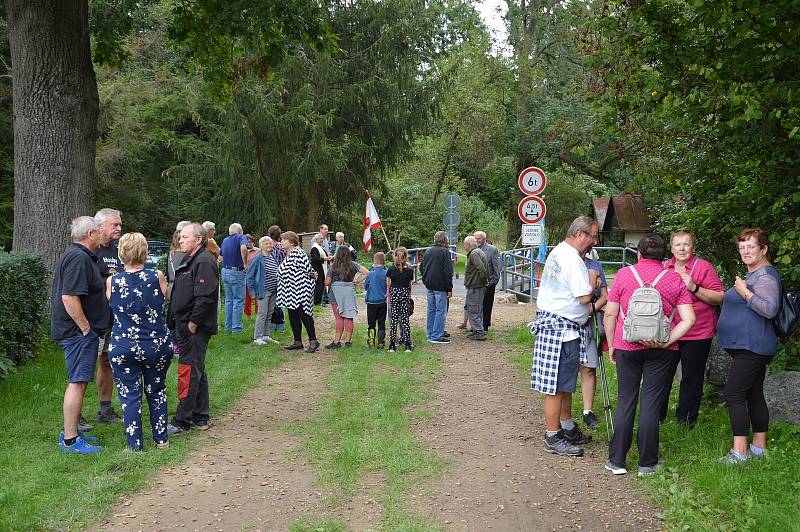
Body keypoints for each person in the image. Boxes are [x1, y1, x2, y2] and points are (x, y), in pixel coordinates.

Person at [603, 233, 695, 476]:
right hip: (661, 351)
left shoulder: (624, 275)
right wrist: (667, 342)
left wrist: (612, 344)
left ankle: (617, 461)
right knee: (651, 404)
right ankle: (647, 463)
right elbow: (689, 319)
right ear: (664, 256)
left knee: (626, 401)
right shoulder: (674, 278)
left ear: (639, 254)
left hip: (628, 346)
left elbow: (610, 314)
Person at [530, 216, 598, 457]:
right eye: (592, 236)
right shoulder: (572, 260)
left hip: (561, 326)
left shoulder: (559, 250)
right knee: (557, 386)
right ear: (580, 234)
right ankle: (552, 436)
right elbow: (583, 297)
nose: (593, 242)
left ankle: (567, 426)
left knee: (564, 384)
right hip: (561, 330)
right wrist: (591, 280)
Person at [716, 228, 781, 464]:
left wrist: (743, 291)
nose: (745, 251)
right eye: (742, 247)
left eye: (750, 247)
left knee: (734, 394)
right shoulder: (755, 274)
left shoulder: (765, 276)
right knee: (753, 393)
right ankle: (759, 448)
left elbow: (769, 309)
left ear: (763, 249)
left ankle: (740, 453)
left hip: (753, 347)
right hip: (749, 346)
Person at [105, 232, 172, 451]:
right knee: (156, 389)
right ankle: (161, 439)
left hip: (124, 345)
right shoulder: (157, 276)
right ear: (144, 252)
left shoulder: (112, 281)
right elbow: (165, 299)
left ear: (121, 253)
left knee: (129, 394)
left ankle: (134, 445)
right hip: (155, 344)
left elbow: (111, 307)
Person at [52, 216, 110, 453]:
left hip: (81, 332)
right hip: (78, 333)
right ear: (90, 234)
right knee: (77, 381)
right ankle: (70, 439)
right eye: (98, 231)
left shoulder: (80, 256)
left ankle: (71, 431)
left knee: (81, 380)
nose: (101, 234)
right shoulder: (78, 258)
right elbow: (69, 297)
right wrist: (85, 328)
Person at [660, 230, 724, 425]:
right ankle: (656, 416)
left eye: (686, 244)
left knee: (691, 378)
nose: (681, 248)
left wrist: (694, 287)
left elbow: (719, 297)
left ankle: (686, 420)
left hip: (698, 332)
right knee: (662, 375)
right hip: (668, 332)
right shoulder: (663, 267)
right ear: (671, 248)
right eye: (677, 244)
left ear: (693, 247)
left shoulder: (703, 267)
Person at [166, 223, 219, 435]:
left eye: (185, 237)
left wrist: (192, 324)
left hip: (194, 327)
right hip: (185, 324)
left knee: (188, 371)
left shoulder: (204, 261)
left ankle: (182, 420)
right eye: (180, 237)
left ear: (198, 240)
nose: (181, 240)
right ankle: (200, 416)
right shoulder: (191, 259)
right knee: (197, 369)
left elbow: (205, 297)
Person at [93, 208, 124, 425]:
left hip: (112, 317)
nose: (119, 228)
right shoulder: (91, 250)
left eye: (120, 225)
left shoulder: (117, 250)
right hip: (93, 318)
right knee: (85, 364)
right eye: (115, 225)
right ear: (100, 226)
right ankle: (75, 415)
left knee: (108, 361)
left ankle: (105, 410)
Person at [579, 226, 607, 429]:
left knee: (589, 367)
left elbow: (605, 295)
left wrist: (590, 311)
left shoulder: (595, 266)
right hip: (570, 321)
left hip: (590, 322)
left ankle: (587, 411)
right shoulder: (565, 264)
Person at [276, 231, 320, 353]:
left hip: (300, 291)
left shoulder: (298, 253)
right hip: (289, 292)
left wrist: (307, 288)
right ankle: (297, 342)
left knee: (304, 315)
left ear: (291, 242)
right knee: (293, 315)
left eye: (283, 240)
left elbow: (310, 272)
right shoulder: (289, 254)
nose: (281, 242)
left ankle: (313, 341)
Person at [324, 246, 369, 348]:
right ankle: (348, 342)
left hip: (335, 296)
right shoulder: (353, 265)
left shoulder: (333, 266)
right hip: (349, 294)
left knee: (339, 319)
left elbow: (327, 282)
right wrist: (356, 281)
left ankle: (336, 342)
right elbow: (366, 272)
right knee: (348, 317)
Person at [459, 231, 501, 332]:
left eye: (479, 238)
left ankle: (484, 325)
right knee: (475, 306)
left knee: (486, 305)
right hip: (476, 283)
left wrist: (492, 282)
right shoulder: (473, 250)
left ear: (484, 239)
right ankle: (476, 326)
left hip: (488, 282)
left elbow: (496, 268)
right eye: (475, 238)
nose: (477, 240)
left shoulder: (492, 250)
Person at [246, 236, 280, 345]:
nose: (269, 245)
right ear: (261, 246)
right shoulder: (258, 258)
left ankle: (266, 335)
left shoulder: (273, 256)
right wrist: (252, 292)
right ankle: (257, 337)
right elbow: (250, 276)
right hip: (263, 291)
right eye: (267, 244)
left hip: (274, 290)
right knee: (262, 313)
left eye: (270, 243)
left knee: (269, 313)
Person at [421, 231, 453, 344]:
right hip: (440, 286)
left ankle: (430, 333)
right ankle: (436, 335)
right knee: (440, 310)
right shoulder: (445, 252)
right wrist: (449, 288)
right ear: (444, 240)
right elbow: (448, 271)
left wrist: (425, 278)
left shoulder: (428, 251)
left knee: (431, 309)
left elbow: (422, 266)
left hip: (429, 284)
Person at [220, 223, 249, 333]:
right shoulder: (241, 237)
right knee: (238, 300)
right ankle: (236, 329)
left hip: (225, 270)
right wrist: (245, 263)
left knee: (229, 300)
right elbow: (243, 248)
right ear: (240, 230)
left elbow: (221, 256)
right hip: (236, 271)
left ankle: (228, 327)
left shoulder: (225, 240)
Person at [387, 247, 415, 353]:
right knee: (405, 320)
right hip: (404, 294)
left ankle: (392, 344)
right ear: (406, 257)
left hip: (394, 293)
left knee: (394, 319)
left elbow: (388, 283)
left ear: (395, 257)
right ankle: (408, 345)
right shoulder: (409, 271)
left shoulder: (390, 269)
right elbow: (410, 284)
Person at [463, 235, 489, 341]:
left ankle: (479, 332)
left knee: (472, 309)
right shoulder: (478, 251)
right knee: (477, 309)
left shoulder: (474, 254)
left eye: (464, 244)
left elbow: (481, 269)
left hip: (475, 286)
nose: (464, 247)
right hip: (478, 285)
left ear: (468, 245)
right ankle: (476, 330)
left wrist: (483, 281)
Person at [364, 252, 389, 349]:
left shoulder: (371, 273)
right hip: (382, 301)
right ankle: (381, 342)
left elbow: (366, 286)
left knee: (371, 322)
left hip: (371, 302)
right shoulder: (386, 273)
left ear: (374, 261)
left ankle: (371, 341)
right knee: (381, 322)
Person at [167, 221, 191, 297]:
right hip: (185, 289)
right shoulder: (189, 254)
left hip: (172, 289)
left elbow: (168, 274)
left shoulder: (170, 253)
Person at [310, 233, 329, 306]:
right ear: (316, 239)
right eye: (321, 238)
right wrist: (324, 259)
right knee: (318, 285)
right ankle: (316, 301)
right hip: (317, 269)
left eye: (323, 239)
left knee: (321, 285)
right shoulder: (315, 248)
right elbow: (315, 259)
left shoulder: (320, 247)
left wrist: (328, 257)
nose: (322, 240)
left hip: (321, 269)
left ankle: (319, 300)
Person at [244, 234, 260, 319]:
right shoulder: (243, 251)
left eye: (250, 241)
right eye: (247, 242)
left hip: (257, 276)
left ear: (253, 242)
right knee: (247, 298)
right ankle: (248, 316)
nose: (248, 243)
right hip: (246, 277)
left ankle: (258, 315)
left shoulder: (258, 251)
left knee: (258, 297)